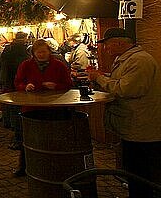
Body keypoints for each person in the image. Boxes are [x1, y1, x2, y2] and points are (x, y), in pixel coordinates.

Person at [87, 28, 161, 198]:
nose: (105, 49)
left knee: (143, 171)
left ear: (120, 43)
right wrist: (102, 77)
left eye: (107, 45)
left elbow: (125, 88)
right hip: (134, 125)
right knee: (135, 169)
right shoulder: (126, 59)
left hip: (143, 128)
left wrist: (99, 78)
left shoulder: (139, 60)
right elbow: (121, 81)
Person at [12, 39, 73, 177]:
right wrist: (25, 87)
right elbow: (18, 82)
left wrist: (56, 86)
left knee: (53, 138)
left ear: (49, 52)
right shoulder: (26, 65)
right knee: (28, 138)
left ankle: (53, 167)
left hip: (54, 106)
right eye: (38, 52)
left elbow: (68, 83)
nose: (41, 55)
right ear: (33, 53)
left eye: (43, 52)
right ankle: (24, 167)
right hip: (32, 107)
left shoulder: (58, 65)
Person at [0, 32, 29, 130]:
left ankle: (7, 122)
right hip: (15, 78)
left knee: (8, 102)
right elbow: (22, 64)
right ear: (24, 38)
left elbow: (3, 61)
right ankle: (15, 124)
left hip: (7, 78)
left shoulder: (8, 48)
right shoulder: (21, 49)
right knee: (15, 103)